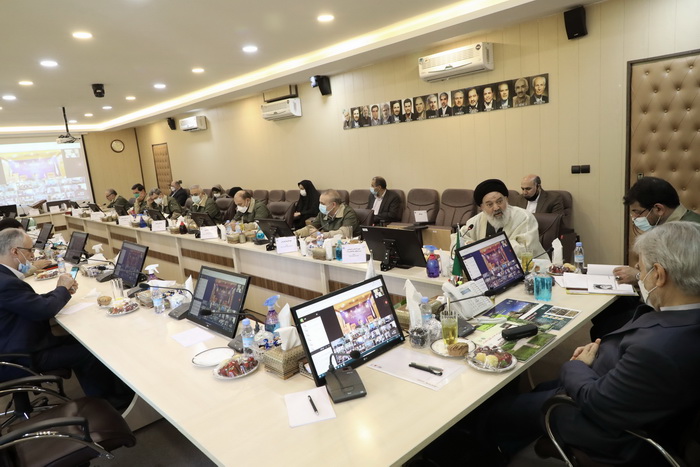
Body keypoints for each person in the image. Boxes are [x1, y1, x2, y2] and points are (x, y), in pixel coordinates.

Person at [474, 222, 700, 466]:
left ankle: (483, 449)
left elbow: (595, 401)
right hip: (618, 386)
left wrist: (577, 366)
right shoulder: (683, 320)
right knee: (537, 390)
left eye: (641, 268)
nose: (639, 273)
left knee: (498, 412)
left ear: (659, 274)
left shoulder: (659, 349)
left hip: (603, 427)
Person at [0, 228, 133, 409]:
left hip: (13, 345)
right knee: (90, 352)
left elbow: (29, 302)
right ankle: (108, 403)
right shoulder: (6, 282)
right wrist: (61, 290)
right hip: (19, 357)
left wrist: (60, 292)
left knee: (83, 340)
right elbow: (42, 310)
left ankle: (113, 392)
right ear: (15, 251)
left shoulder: (4, 277)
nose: (32, 256)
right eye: (29, 250)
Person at [455, 179, 545, 258]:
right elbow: (458, 239)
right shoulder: (475, 221)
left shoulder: (524, 217)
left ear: (506, 199)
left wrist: (487, 248)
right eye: (490, 204)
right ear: (482, 207)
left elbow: (526, 249)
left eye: (499, 201)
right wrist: (467, 245)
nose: (496, 208)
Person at [295, 189, 360, 240]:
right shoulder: (324, 212)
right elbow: (311, 228)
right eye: (320, 203)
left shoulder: (348, 213)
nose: (320, 205)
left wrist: (321, 234)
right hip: (329, 244)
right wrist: (295, 234)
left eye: (322, 203)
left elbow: (344, 233)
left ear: (333, 204)